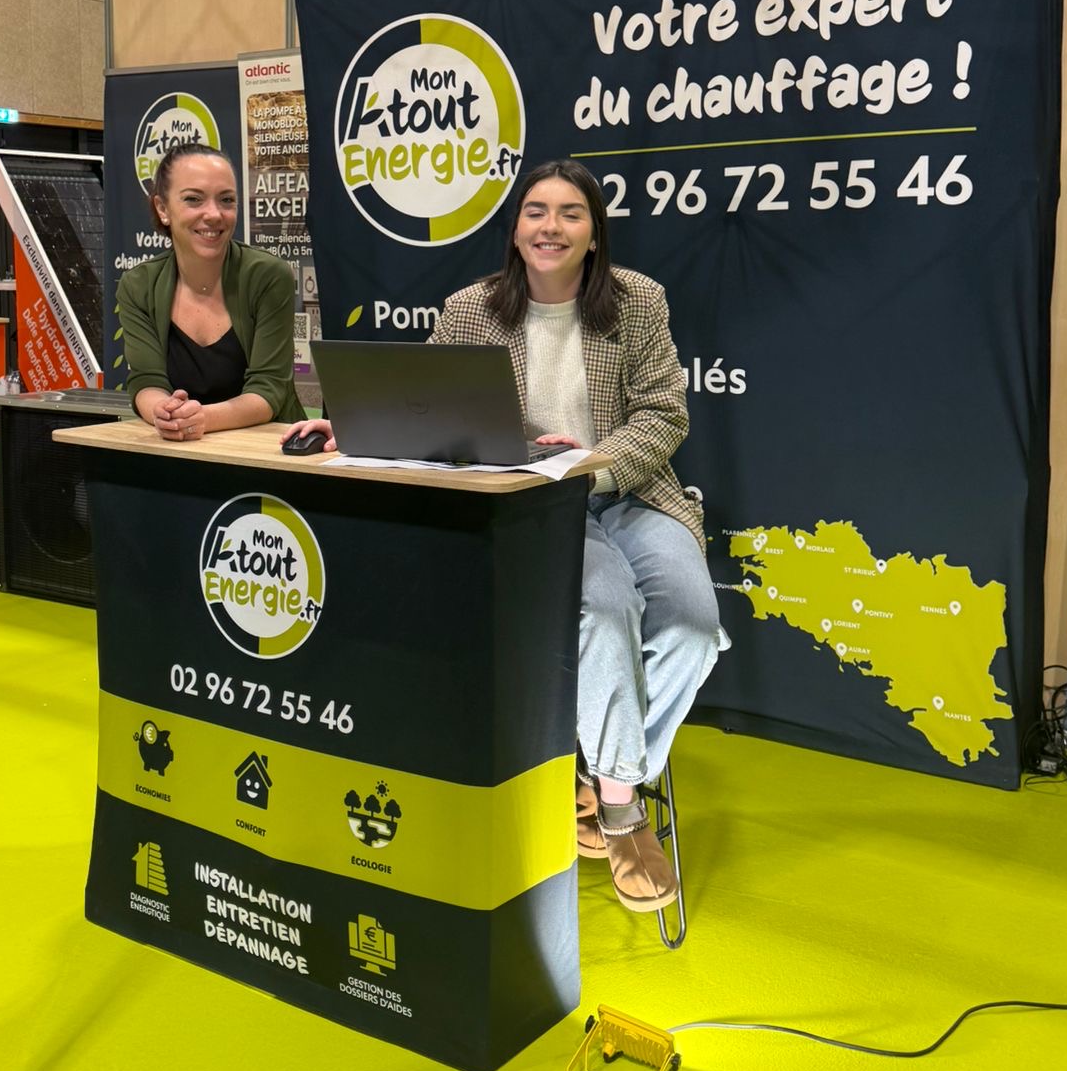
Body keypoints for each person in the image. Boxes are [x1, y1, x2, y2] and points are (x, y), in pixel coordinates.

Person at [288, 159, 724, 915]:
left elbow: (663, 414)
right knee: (602, 610)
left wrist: (592, 466)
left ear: (595, 235)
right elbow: (425, 404)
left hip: (627, 493)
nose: (551, 227)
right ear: (515, 229)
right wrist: (351, 425)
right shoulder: (471, 309)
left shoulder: (638, 301)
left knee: (692, 627)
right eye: (535, 212)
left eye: (570, 214)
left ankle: (591, 775)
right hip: (532, 506)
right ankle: (624, 811)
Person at [118, 141, 303, 443]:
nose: (214, 214)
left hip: (268, 451)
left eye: (226, 200)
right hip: (178, 450)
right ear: (162, 209)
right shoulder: (138, 286)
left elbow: (269, 389)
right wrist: (163, 413)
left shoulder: (268, 275)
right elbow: (146, 380)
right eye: (194, 199)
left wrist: (198, 419)